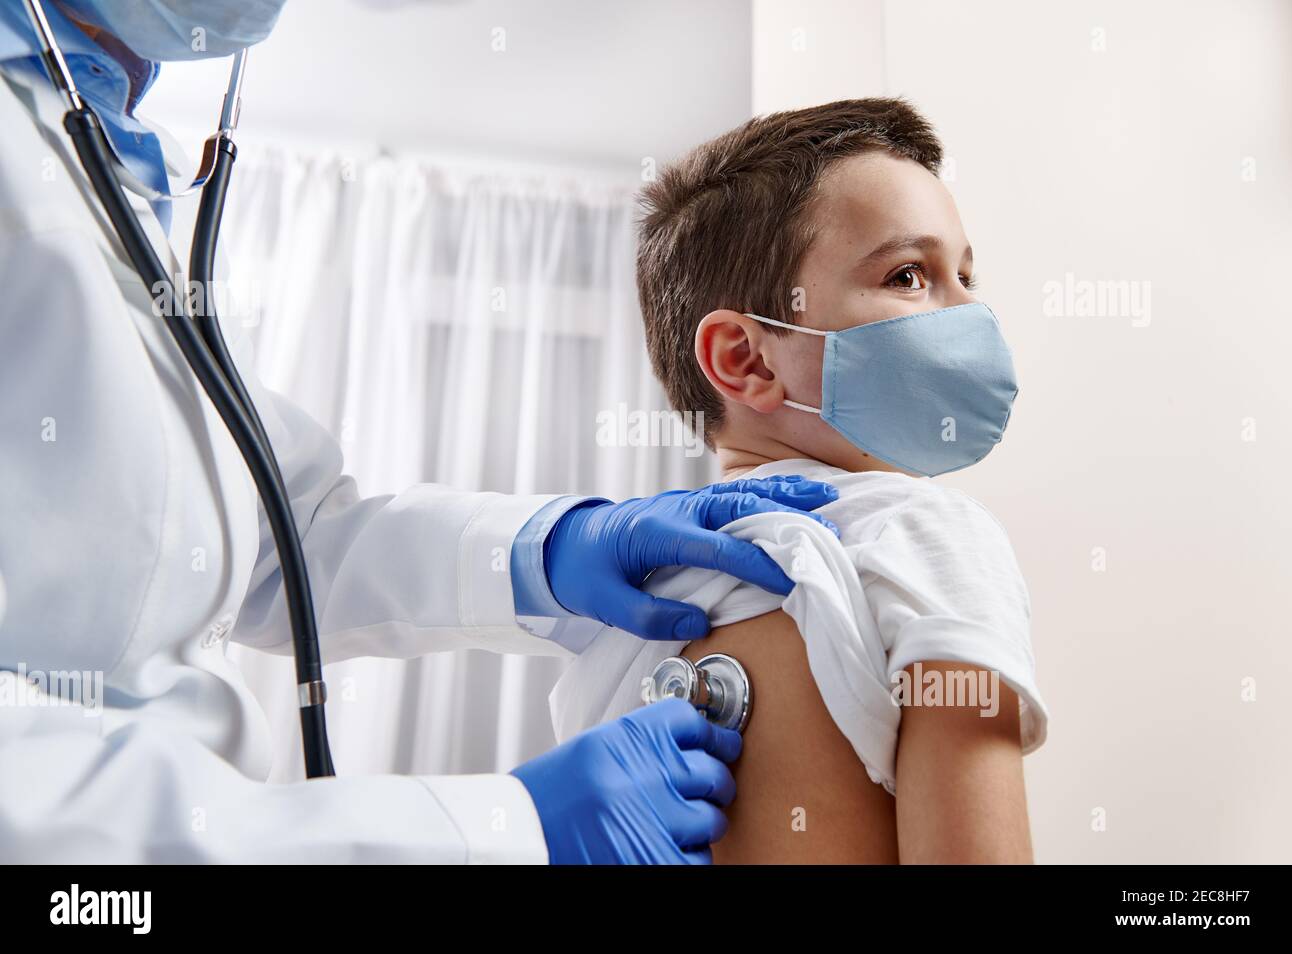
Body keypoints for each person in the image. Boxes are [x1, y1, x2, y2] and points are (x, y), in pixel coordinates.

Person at [0, 0, 842, 864]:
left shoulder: (111, 175)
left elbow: (282, 537)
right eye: (905, 273)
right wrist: (503, 829)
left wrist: (545, 549)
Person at [550, 99, 1050, 862]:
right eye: (910, 275)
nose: (969, 314)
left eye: (966, 274)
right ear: (747, 360)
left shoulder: (628, 604)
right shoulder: (924, 532)